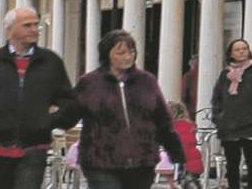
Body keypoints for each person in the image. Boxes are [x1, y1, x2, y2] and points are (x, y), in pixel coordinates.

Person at [0, 7, 79, 189]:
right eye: (27, 25)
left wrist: (50, 120)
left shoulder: (51, 62)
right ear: (10, 29)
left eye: (36, 25)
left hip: (34, 148)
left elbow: (68, 101)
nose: (34, 29)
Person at [72, 30, 183, 189]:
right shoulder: (90, 83)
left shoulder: (147, 81)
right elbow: (70, 113)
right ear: (107, 54)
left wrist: (177, 155)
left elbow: (163, 121)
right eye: (120, 52)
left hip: (141, 161)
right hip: (100, 162)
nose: (127, 57)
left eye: (131, 52)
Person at [209, 39, 252, 189]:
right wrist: (219, 118)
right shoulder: (226, 73)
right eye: (238, 49)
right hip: (228, 126)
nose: (242, 51)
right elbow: (217, 98)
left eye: (245, 48)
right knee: (232, 164)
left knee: (251, 162)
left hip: (251, 126)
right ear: (231, 53)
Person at [165, 103, 200, 189]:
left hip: (179, 156)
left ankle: (182, 180)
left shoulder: (172, 126)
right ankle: (189, 181)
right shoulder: (191, 125)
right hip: (194, 156)